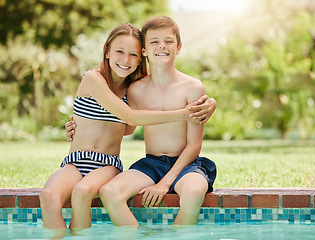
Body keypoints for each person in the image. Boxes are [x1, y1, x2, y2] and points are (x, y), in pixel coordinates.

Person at [39, 23, 215, 236]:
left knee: (83, 191)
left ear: (140, 57)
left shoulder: (141, 88)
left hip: (123, 163)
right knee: (59, 194)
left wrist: (210, 103)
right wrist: (183, 113)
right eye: (120, 52)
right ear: (107, 52)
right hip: (96, 161)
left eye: (132, 54)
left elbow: (130, 127)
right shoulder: (111, 83)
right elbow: (129, 120)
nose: (126, 59)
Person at [96, 16, 217, 226]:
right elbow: (126, 128)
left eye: (169, 41)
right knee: (109, 191)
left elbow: (194, 145)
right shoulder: (135, 89)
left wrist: (165, 183)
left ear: (178, 47)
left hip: (186, 164)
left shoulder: (192, 88)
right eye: (154, 41)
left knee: (194, 191)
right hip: (151, 164)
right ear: (144, 50)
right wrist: (78, 127)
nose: (162, 46)